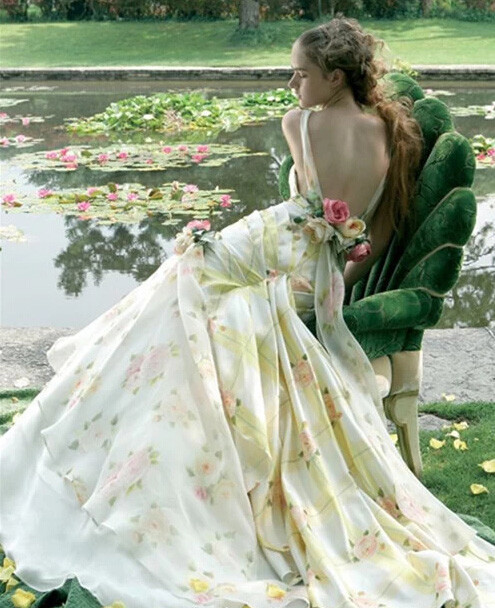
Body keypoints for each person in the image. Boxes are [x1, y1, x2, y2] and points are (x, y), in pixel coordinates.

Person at [0, 16, 494, 608]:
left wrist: (304, 263)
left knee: (183, 283)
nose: (292, 84)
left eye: (301, 74)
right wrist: (331, 285)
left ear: (336, 77)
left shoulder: (300, 124)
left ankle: (97, 441)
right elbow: (374, 234)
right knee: (193, 293)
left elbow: (303, 201)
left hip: (272, 249)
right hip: (315, 274)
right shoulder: (387, 137)